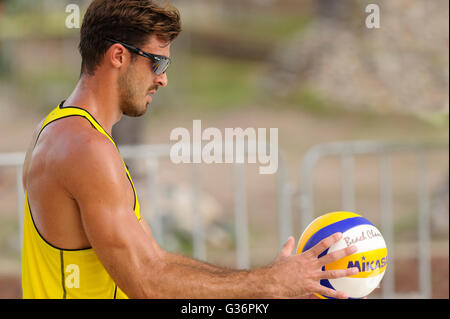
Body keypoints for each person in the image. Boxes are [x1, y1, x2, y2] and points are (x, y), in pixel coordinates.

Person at [21, 0, 359, 299]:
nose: (163, 79)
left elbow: (157, 260)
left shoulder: (67, 130)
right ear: (119, 56)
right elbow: (148, 283)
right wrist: (271, 284)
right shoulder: (84, 148)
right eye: (158, 63)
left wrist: (273, 281)